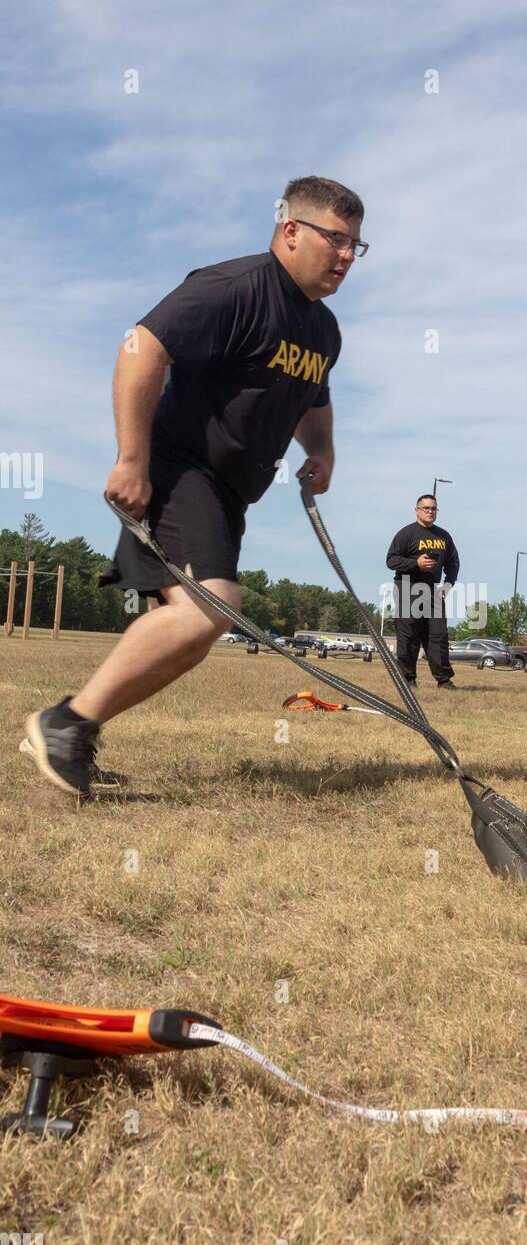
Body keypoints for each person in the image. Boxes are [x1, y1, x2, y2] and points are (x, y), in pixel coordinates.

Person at [24, 175, 366, 797]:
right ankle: (65, 724)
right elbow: (142, 347)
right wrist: (132, 457)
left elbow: (313, 396)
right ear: (291, 231)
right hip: (179, 472)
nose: (347, 256)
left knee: (192, 632)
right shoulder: (231, 288)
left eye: (356, 247)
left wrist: (321, 449)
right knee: (213, 607)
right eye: (336, 240)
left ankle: (74, 730)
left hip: (231, 493)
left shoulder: (324, 331)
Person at [386, 495, 459, 689]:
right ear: (416, 510)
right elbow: (391, 560)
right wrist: (415, 563)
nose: (430, 511)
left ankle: (444, 680)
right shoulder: (406, 534)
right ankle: (407, 679)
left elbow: (453, 564)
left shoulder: (444, 536)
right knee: (408, 635)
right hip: (407, 586)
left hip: (433, 591)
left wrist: (448, 584)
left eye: (434, 508)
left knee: (438, 635)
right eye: (426, 508)